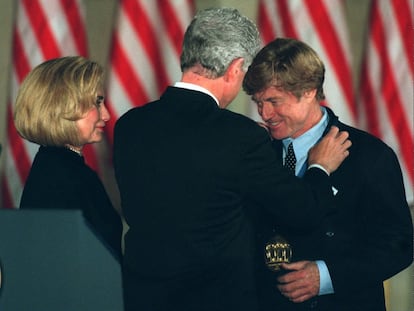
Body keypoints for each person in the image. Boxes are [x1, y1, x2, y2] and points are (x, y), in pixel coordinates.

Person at [113, 8, 351, 311]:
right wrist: (319, 166)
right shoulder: (239, 136)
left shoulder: (129, 125)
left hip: (144, 299)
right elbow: (303, 213)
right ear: (235, 67)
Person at [243, 37, 414, 311]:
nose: (265, 113)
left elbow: (400, 246)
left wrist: (326, 276)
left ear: (309, 91)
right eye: (258, 102)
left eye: (274, 101)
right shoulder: (255, 152)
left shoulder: (368, 155)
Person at [14, 56, 123, 259]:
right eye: (97, 103)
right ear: (63, 106)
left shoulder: (58, 167)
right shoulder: (62, 176)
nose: (106, 115)